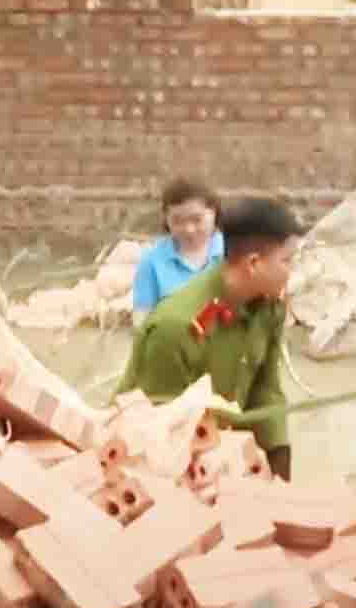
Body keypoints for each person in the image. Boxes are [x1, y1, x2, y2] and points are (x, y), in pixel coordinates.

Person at [119, 197, 301, 480]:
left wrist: (278, 457)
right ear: (253, 263)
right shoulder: (176, 327)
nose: (292, 271)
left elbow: (266, 389)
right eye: (287, 261)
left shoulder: (268, 308)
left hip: (220, 456)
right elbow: (154, 428)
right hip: (146, 465)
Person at [132, 179, 223, 322]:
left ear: (214, 213)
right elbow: (142, 319)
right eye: (177, 221)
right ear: (166, 219)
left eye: (197, 219)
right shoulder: (152, 261)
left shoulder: (234, 252)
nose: (189, 229)